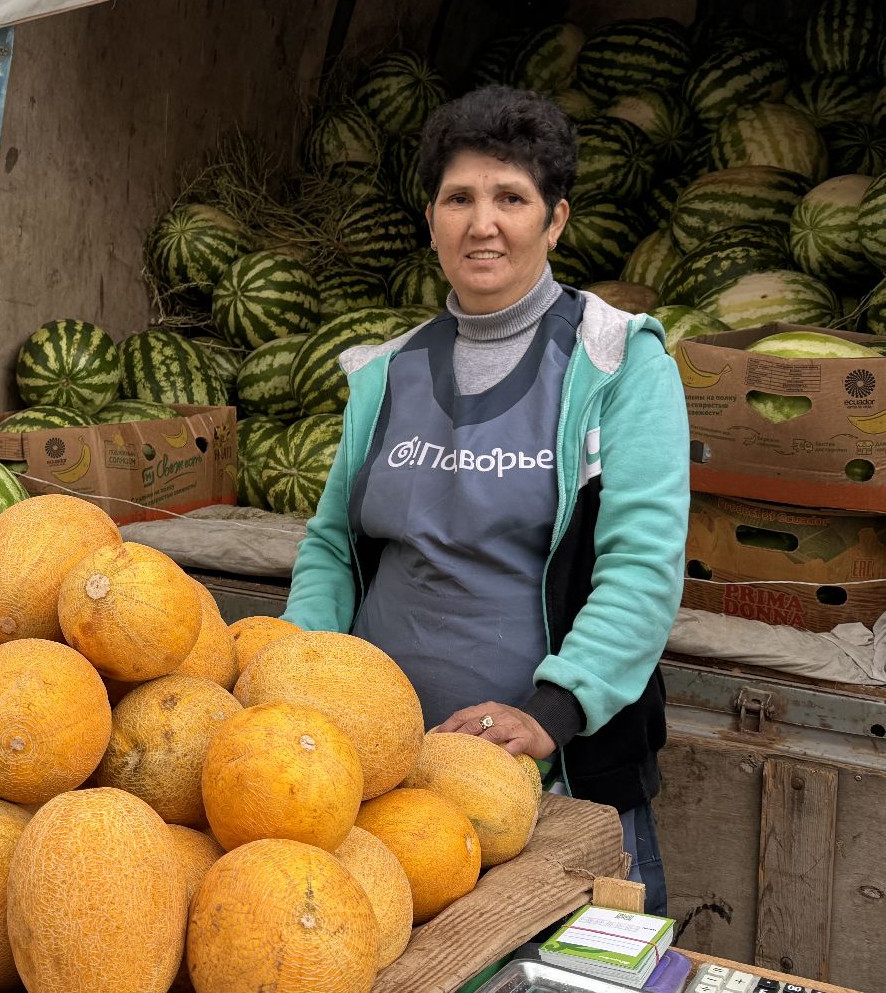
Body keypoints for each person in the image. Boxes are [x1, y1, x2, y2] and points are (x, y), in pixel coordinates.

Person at [281, 85, 688, 915]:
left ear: (556, 220)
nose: (483, 222)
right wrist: (297, 673)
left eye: (512, 198)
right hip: (376, 779)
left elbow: (642, 568)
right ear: (430, 219)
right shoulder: (386, 373)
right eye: (459, 198)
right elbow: (330, 546)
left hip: (551, 780)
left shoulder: (618, 363)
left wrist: (552, 711)